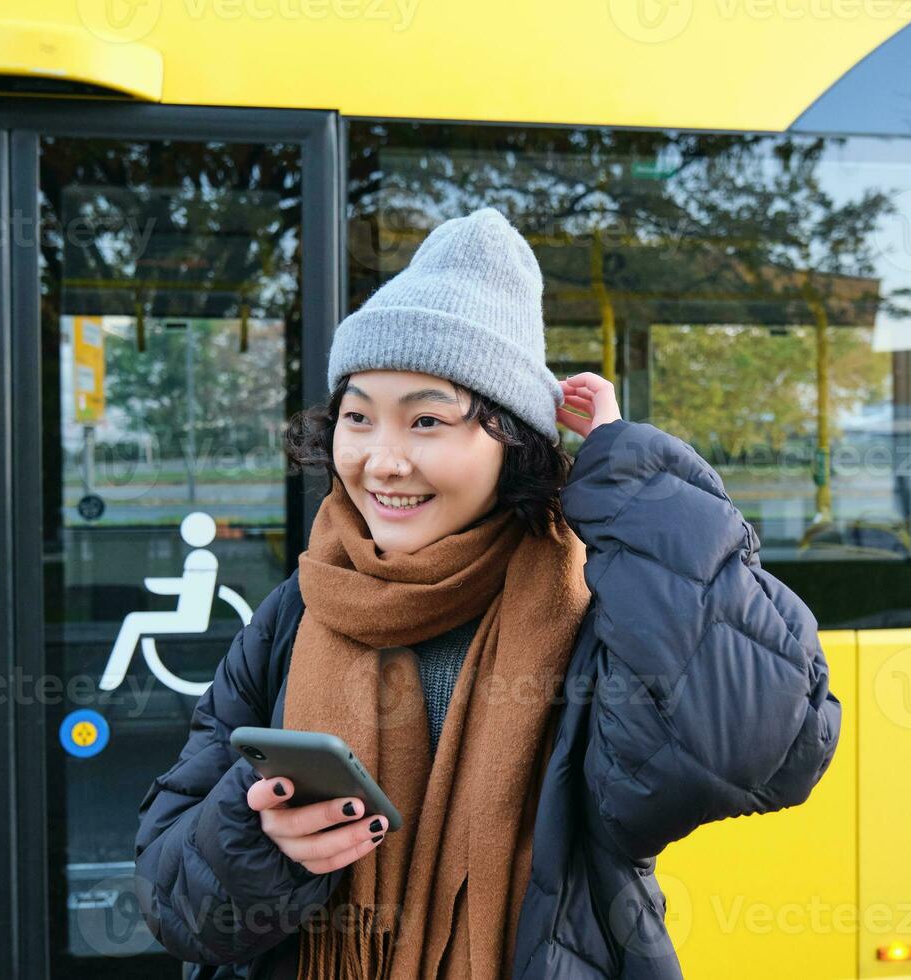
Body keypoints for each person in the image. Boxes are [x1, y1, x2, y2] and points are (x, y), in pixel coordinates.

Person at [134, 207, 842, 980]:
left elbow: (749, 743)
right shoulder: (297, 611)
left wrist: (627, 480)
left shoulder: (593, 607)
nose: (382, 460)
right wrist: (256, 841)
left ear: (511, 440)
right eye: (358, 418)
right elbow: (175, 905)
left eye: (427, 420)